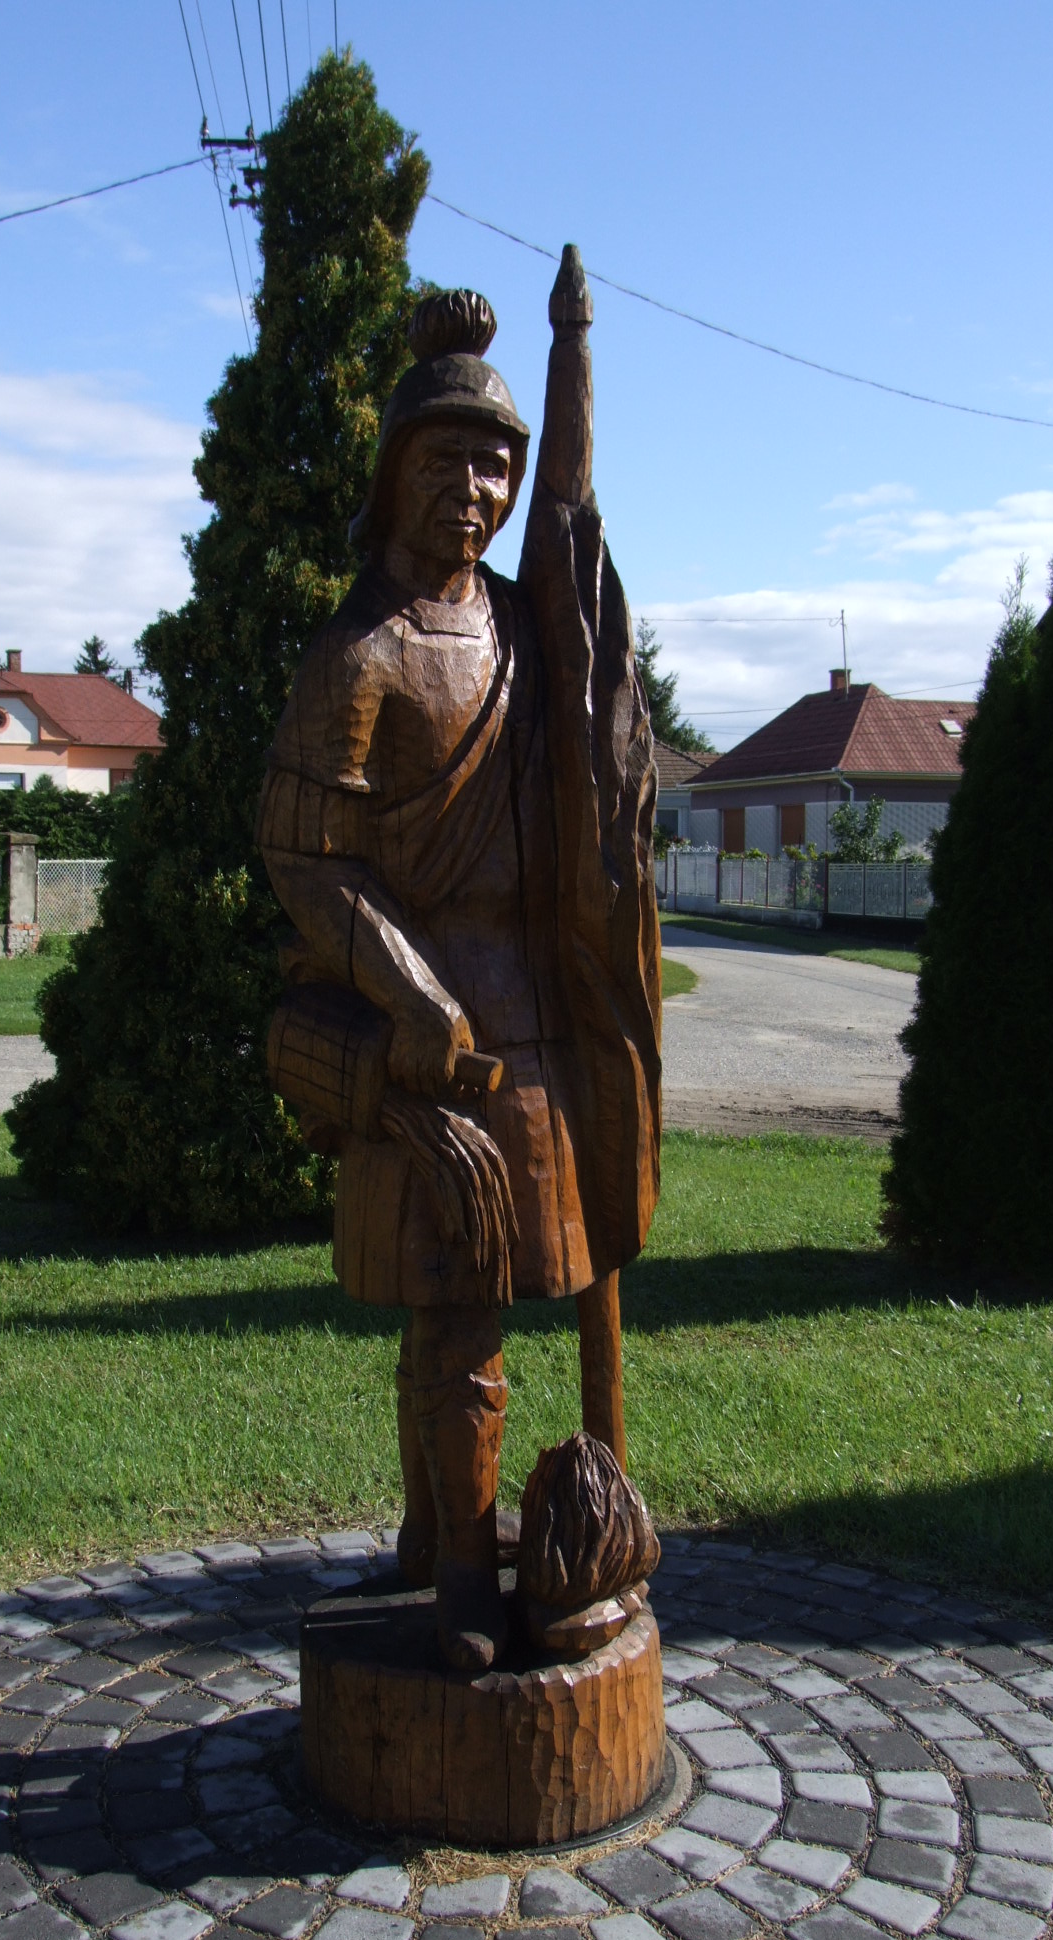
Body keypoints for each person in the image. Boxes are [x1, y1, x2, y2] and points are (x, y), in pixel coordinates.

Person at [258, 253, 660, 1672]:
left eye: (494, 465)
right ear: (394, 473)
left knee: (502, 1295)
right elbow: (302, 854)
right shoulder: (357, 655)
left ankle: (447, 1539)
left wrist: (572, 342)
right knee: (455, 1311)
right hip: (430, 1043)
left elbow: (570, 525)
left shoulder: (521, 631)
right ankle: (460, 1574)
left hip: (536, 1028)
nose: (475, 491)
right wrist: (406, 987)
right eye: (447, 462)